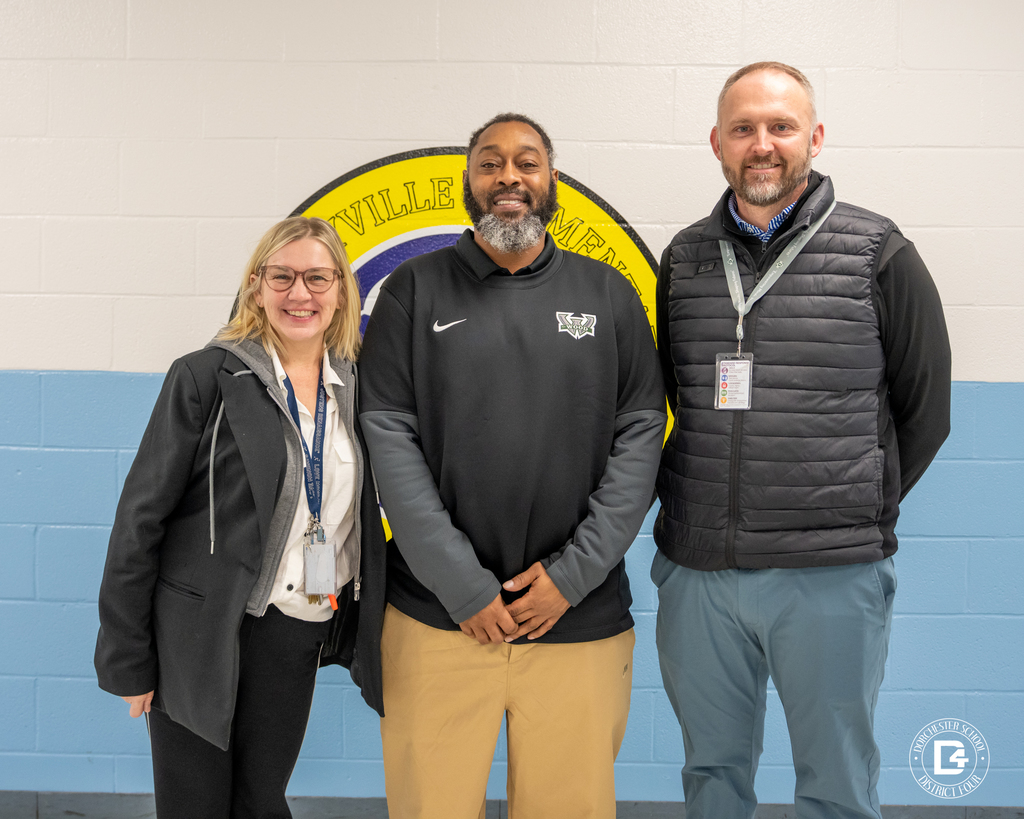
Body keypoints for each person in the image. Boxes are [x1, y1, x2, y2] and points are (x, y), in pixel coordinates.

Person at [653, 62, 952, 819]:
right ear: (717, 142)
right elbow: (672, 399)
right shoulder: (684, 259)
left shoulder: (879, 252)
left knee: (836, 782)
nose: (763, 144)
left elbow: (926, 409)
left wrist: (848, 507)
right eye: (745, 128)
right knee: (712, 775)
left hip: (829, 575)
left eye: (781, 126)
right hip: (701, 574)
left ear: (813, 138)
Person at [357, 113, 666, 819]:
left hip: (578, 617)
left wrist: (570, 576)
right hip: (438, 617)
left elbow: (641, 435)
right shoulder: (411, 291)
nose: (509, 178)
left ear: (551, 181)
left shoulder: (608, 294)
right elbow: (389, 437)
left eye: (526, 162)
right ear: (467, 182)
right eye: (490, 163)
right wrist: (463, 584)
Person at [94, 216, 386, 819]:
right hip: (200, 633)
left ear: (341, 290)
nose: (299, 294)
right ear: (257, 286)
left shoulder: (355, 387)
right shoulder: (206, 377)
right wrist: (129, 657)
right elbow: (138, 521)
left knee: (260, 801)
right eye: (281, 277)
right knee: (195, 806)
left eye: (316, 278)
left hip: (294, 630)